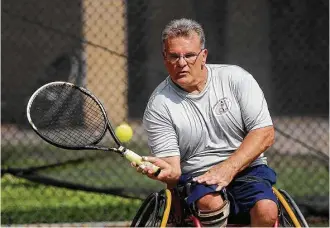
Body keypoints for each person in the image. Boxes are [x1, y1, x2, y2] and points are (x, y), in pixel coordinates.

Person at [132, 18, 278, 227]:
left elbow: (265, 133)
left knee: (267, 210)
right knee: (209, 202)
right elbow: (173, 170)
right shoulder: (158, 106)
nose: (181, 63)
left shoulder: (236, 79)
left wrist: (227, 169)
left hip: (248, 169)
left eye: (189, 55)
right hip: (197, 178)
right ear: (165, 58)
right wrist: (164, 172)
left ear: (203, 56)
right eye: (174, 56)